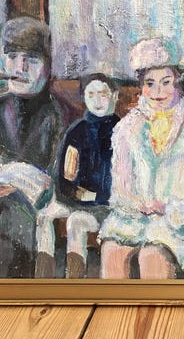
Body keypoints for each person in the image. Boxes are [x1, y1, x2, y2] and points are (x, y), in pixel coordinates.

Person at [99, 38, 184, 279]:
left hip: (181, 223)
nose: (158, 92)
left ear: (178, 83)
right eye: (150, 83)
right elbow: (120, 188)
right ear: (141, 86)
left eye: (166, 82)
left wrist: (170, 210)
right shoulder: (127, 128)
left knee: (153, 255)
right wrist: (139, 204)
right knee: (112, 251)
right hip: (135, 220)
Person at [35, 73, 120, 278]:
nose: (97, 100)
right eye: (91, 94)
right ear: (84, 98)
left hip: (108, 204)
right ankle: (42, 279)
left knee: (76, 222)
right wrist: (71, 193)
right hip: (76, 199)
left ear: (115, 96)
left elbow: (122, 180)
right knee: (44, 216)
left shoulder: (122, 131)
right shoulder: (76, 131)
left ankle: (74, 280)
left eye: (103, 94)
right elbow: (65, 176)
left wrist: (98, 196)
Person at [0, 16, 64, 277]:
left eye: (32, 59)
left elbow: (55, 180)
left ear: (48, 67)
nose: (20, 67)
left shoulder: (59, 115)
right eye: (12, 56)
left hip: (27, 208)